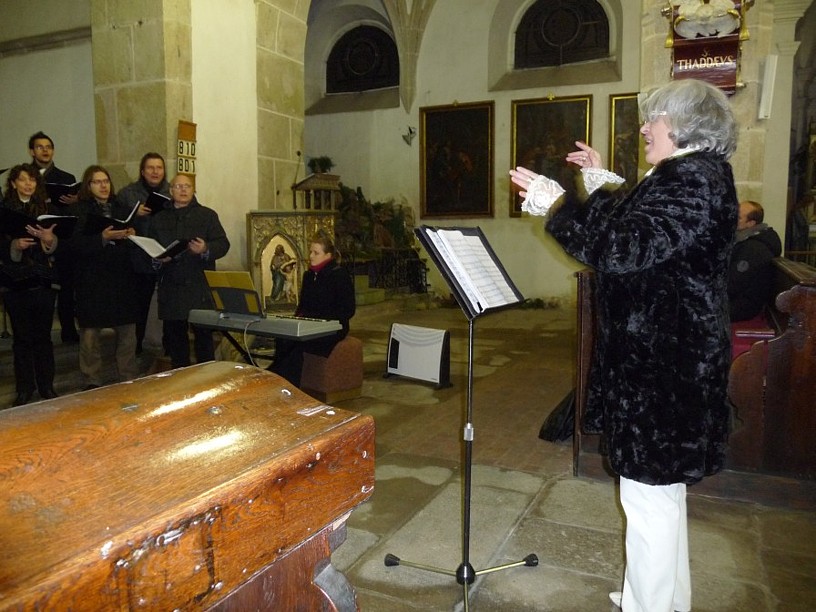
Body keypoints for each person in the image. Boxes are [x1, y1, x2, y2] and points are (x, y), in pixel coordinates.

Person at [510, 78, 738, 612]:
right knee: (660, 495)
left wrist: (557, 205)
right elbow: (638, 229)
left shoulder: (691, 179)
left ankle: (648, 605)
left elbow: (620, 249)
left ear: (682, 126)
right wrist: (602, 184)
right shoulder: (689, 174)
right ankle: (664, 597)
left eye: (653, 119)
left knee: (649, 498)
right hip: (670, 358)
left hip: (664, 367)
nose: (644, 128)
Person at [68, 165, 141, 390]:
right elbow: (73, 245)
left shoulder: (122, 209)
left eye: (106, 181)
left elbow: (135, 242)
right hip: (92, 279)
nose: (103, 186)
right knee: (90, 334)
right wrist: (102, 238)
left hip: (121, 278)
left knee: (127, 332)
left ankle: (127, 375)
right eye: (97, 182)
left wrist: (132, 235)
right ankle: (92, 378)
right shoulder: (78, 211)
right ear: (88, 185)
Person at [148, 174, 230, 368]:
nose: (183, 190)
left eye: (187, 186)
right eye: (178, 186)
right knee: (176, 344)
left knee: (204, 341)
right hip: (172, 288)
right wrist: (158, 259)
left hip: (199, 288)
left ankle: (206, 379)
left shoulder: (207, 215)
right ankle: (181, 378)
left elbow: (223, 244)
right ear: (171, 191)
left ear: (193, 190)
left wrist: (205, 249)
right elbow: (150, 248)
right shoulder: (159, 218)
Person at [0, 164, 61, 406]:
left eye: (32, 180)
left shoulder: (47, 210)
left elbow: (59, 246)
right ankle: (24, 388)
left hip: (42, 281)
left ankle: (47, 385)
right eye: (23, 179)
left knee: (43, 338)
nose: (28, 184)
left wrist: (49, 240)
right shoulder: (4, 210)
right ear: (13, 183)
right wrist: (14, 246)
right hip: (15, 282)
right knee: (22, 339)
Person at [268, 232, 355, 387]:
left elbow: (348, 309)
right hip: (309, 324)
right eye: (310, 252)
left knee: (298, 345)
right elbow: (303, 305)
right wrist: (296, 320)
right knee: (283, 338)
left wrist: (321, 322)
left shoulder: (339, 275)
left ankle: (290, 386)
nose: (311, 256)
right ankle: (278, 378)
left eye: (316, 253)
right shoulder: (309, 275)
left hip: (331, 328)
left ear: (328, 255)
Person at [28, 131, 79, 342]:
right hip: (35, 237)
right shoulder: (25, 176)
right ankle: (40, 333)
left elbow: (73, 213)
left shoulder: (66, 178)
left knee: (66, 287)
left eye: (48, 147)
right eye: (40, 147)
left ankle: (68, 329)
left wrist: (75, 200)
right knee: (39, 288)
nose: (45, 150)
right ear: (32, 151)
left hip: (62, 237)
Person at [117, 152, 172, 353]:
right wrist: (134, 213)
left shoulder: (172, 191)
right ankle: (137, 347)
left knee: (168, 307)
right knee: (140, 306)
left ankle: (168, 347)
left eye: (159, 168)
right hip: (138, 258)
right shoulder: (128, 194)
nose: (155, 172)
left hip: (166, 256)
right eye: (150, 167)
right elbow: (117, 220)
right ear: (142, 171)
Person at [728, 200, 782, 322]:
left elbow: (733, 284)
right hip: (737, 300)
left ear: (751, 223)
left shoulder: (754, 248)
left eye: (738, 217)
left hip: (743, 305)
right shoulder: (746, 240)